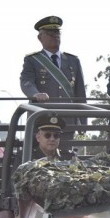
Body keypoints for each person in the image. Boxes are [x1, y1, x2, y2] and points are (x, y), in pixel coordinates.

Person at [20, 15, 87, 151]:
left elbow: (80, 92)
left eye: (57, 33)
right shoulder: (33, 60)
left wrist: (83, 122)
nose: (55, 36)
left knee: (66, 159)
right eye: (50, 33)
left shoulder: (73, 60)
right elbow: (26, 82)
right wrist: (36, 94)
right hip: (42, 119)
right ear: (40, 37)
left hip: (67, 121)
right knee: (40, 160)